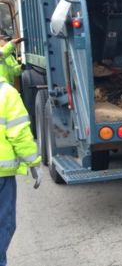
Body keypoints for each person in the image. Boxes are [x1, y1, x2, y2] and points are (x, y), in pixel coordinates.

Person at [0, 75, 41, 266]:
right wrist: (33, 162)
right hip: (1, 176)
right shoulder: (6, 93)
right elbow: (19, 135)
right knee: (3, 227)